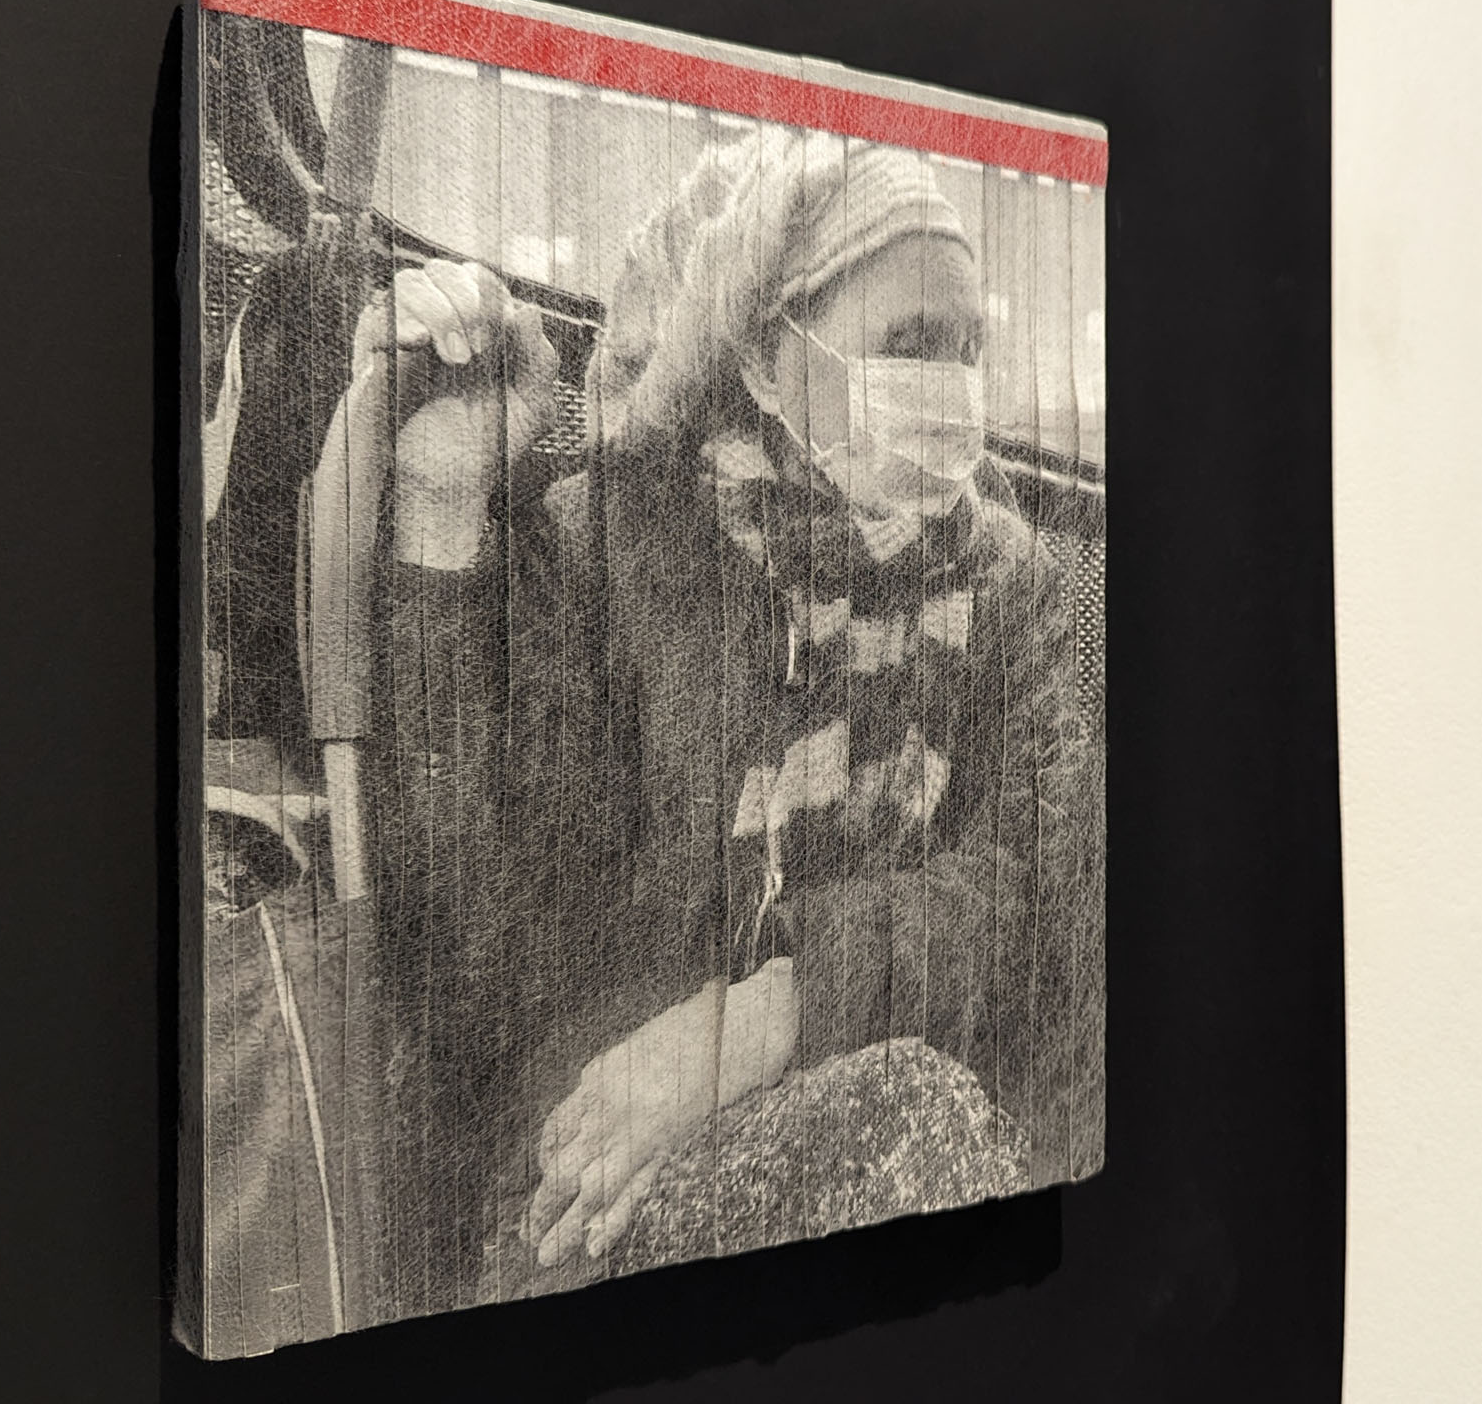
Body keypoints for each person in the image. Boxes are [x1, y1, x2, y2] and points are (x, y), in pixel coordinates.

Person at [323, 131, 1103, 1314]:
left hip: (911, 1120)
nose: (950, 388)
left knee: (928, 1109)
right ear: (762, 354)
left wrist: (767, 1015)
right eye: (909, 344)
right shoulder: (604, 547)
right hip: (601, 1174)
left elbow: (1042, 888)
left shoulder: (1011, 584)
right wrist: (439, 506)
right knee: (908, 1119)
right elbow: (478, 962)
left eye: (966, 351)